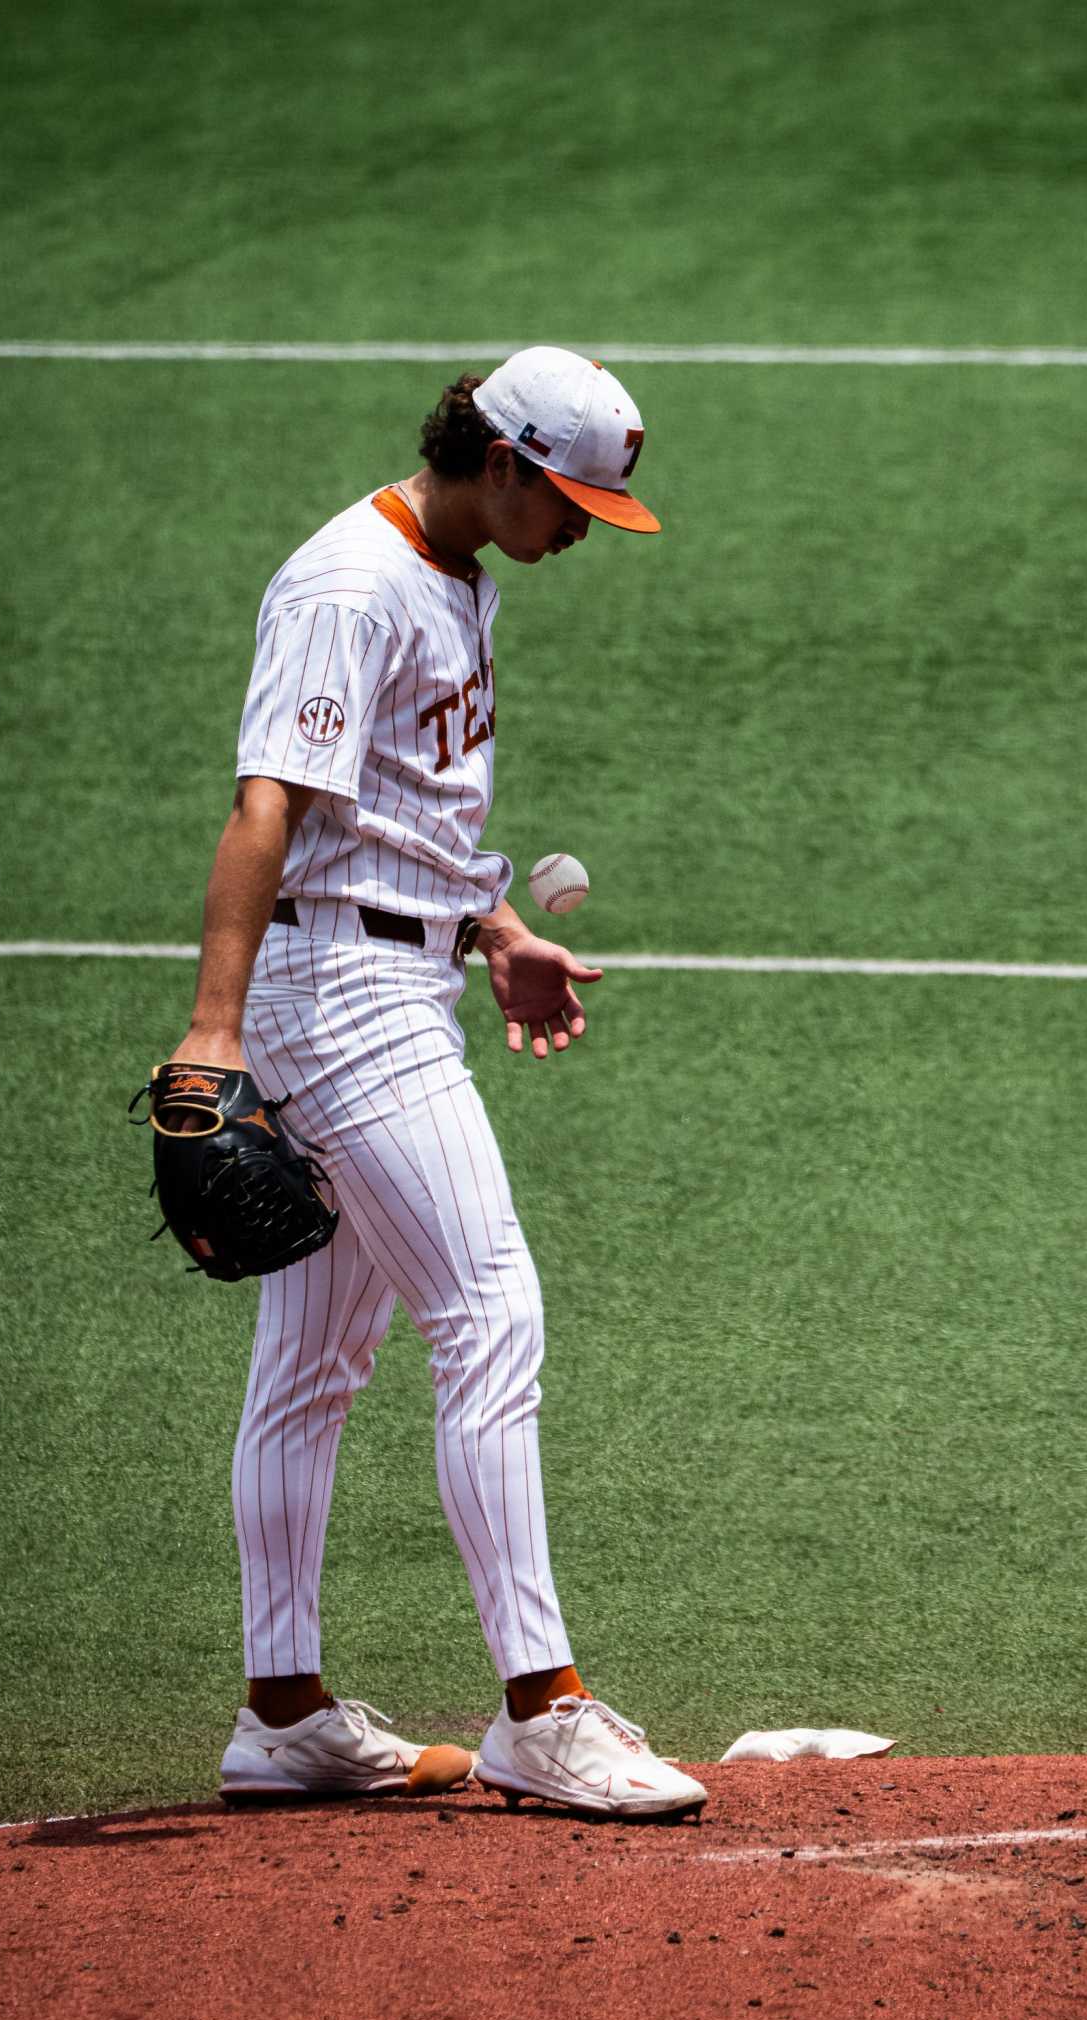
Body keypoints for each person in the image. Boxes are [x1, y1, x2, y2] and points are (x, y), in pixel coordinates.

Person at [167, 346, 706, 1819]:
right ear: (503, 461)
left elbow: (396, 814)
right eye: (573, 502)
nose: (583, 530)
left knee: (316, 1359)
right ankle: (542, 1708)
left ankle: (283, 1716)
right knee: (489, 1311)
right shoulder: (348, 587)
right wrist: (212, 1035)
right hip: (339, 998)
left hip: (395, 968)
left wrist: (496, 928)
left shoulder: (457, 569)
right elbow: (268, 808)